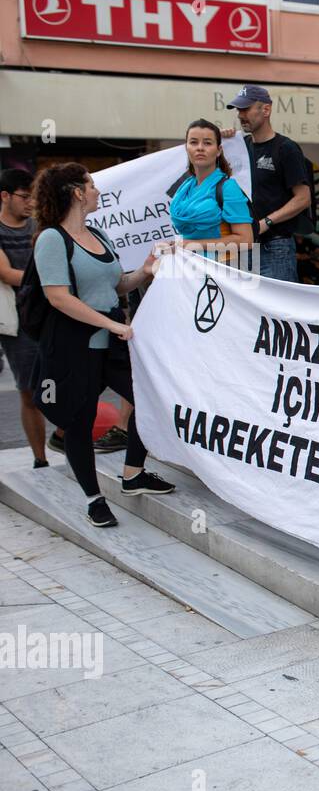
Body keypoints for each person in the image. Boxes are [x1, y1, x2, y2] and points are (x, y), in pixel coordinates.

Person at [29, 164, 176, 528]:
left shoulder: (99, 234)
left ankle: (132, 474)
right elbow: (59, 298)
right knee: (80, 422)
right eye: (92, 185)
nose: (97, 191)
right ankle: (94, 499)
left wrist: (144, 270)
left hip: (110, 341)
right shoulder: (51, 239)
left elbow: (115, 285)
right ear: (77, 192)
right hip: (74, 345)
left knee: (147, 401)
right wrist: (112, 323)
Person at [226, 85, 313, 284]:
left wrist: (267, 222)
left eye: (246, 109)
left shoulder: (286, 148)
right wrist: (221, 140)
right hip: (242, 247)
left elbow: (303, 198)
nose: (241, 115)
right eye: (238, 110)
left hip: (275, 246)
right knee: (246, 313)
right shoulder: (239, 146)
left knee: (279, 311)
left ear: (266, 110)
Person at [0, 168, 53, 468]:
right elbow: (6, 274)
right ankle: (40, 458)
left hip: (50, 316)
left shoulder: (39, 227)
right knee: (29, 391)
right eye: (24, 196)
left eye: (33, 196)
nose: (30, 202)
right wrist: (49, 279)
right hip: (17, 324)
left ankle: (65, 441)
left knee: (64, 382)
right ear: (4, 196)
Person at [169, 119, 254, 258]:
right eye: (194, 142)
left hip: (221, 271)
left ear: (219, 150)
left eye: (207, 143)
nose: (200, 148)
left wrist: (193, 244)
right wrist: (177, 245)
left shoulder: (228, 187)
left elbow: (246, 240)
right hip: (187, 268)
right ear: (186, 147)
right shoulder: (184, 188)